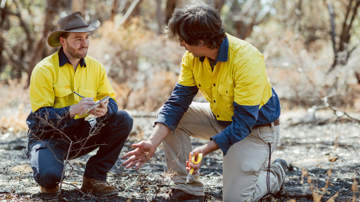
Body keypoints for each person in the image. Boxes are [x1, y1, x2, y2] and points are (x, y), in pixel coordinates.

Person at [122, 4, 287, 202]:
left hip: (255, 130)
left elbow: (243, 123)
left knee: (235, 199)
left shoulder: (246, 58)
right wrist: (152, 142)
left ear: (201, 41)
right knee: (174, 117)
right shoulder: (192, 57)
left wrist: (205, 148)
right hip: (222, 118)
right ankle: (187, 188)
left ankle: (275, 174)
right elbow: (177, 103)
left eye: (184, 40)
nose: (181, 44)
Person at [26, 12, 133, 197]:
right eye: (77, 39)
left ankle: (94, 178)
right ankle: (49, 177)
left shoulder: (96, 67)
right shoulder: (44, 69)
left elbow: (112, 100)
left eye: (86, 38)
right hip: (48, 137)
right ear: (62, 41)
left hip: (80, 134)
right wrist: (70, 111)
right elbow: (40, 118)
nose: (84, 43)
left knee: (123, 119)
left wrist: (106, 109)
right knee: (50, 177)